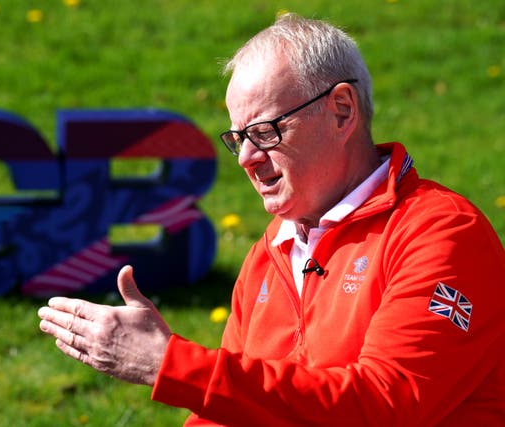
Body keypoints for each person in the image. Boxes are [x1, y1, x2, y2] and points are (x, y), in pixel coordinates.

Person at [38, 13, 505, 426]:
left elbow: (385, 404)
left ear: (342, 111)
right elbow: (230, 413)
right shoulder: (273, 251)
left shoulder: (441, 232)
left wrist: (170, 364)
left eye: (264, 132)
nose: (245, 158)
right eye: (238, 137)